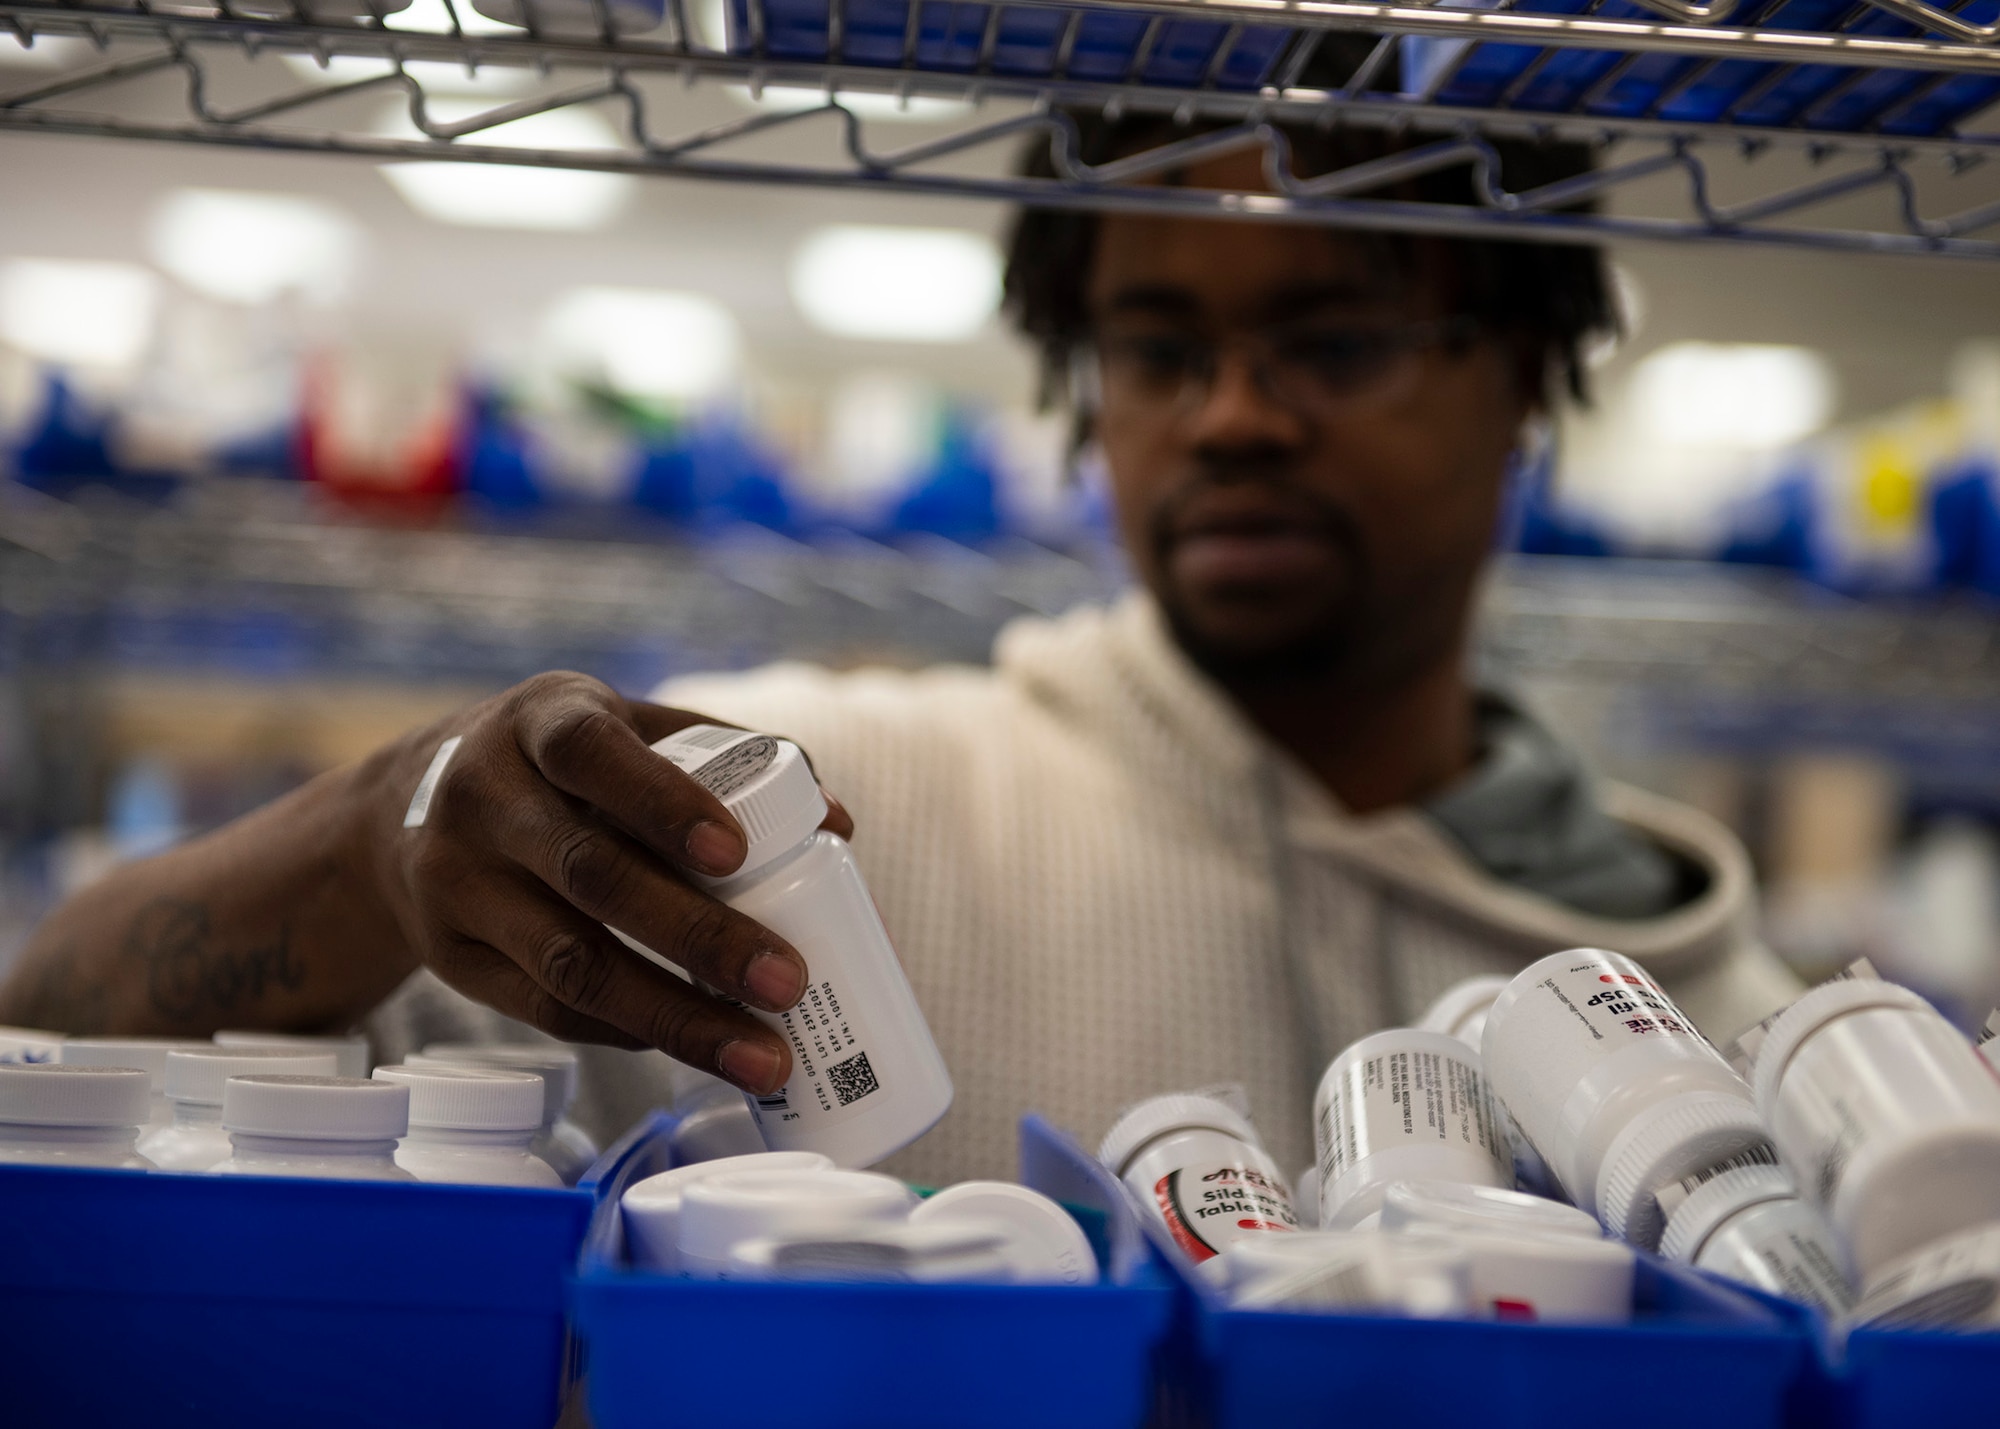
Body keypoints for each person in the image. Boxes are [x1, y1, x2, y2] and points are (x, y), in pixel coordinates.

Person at [0, 112, 1798, 1183]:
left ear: (1529, 390)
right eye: (1158, 349)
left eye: (1337, 343)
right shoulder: (815, 823)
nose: (1233, 416)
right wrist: (383, 838)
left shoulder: (1725, 1018)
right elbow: (46, 1018)